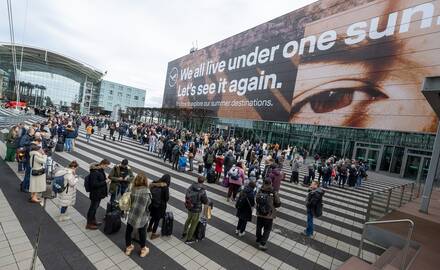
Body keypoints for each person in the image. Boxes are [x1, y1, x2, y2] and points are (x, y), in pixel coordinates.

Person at [125, 173, 151, 257]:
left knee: (128, 231)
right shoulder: (147, 192)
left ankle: (128, 248)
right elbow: (148, 206)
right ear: (145, 181)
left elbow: (129, 201)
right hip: (142, 216)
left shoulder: (132, 189)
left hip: (132, 214)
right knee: (142, 232)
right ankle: (143, 250)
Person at [255, 178, 281, 251]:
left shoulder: (261, 189)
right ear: (271, 183)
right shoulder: (273, 191)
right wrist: (273, 205)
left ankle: (258, 238)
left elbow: (257, 199)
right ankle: (262, 243)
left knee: (259, 227)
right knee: (267, 229)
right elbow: (278, 203)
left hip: (260, 212)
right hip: (269, 215)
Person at [183, 176, 208, 244]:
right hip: (196, 209)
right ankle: (189, 238)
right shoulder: (202, 191)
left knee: (188, 219)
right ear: (203, 182)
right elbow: (205, 201)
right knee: (194, 224)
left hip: (189, 207)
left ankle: (184, 232)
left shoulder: (191, 187)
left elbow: (187, 195)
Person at [86, 159, 111, 230]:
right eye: (106, 166)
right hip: (95, 194)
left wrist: (105, 180)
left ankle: (93, 221)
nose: (106, 167)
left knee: (95, 208)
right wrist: (105, 182)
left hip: (99, 194)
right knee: (92, 209)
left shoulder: (100, 170)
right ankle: (89, 224)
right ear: (102, 164)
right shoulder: (94, 172)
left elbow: (100, 179)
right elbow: (94, 184)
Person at [147, 174, 170, 239]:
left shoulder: (155, 182)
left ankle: (149, 228)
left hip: (153, 204)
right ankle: (153, 234)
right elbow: (166, 198)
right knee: (157, 219)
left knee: (153, 217)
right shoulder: (165, 187)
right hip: (160, 206)